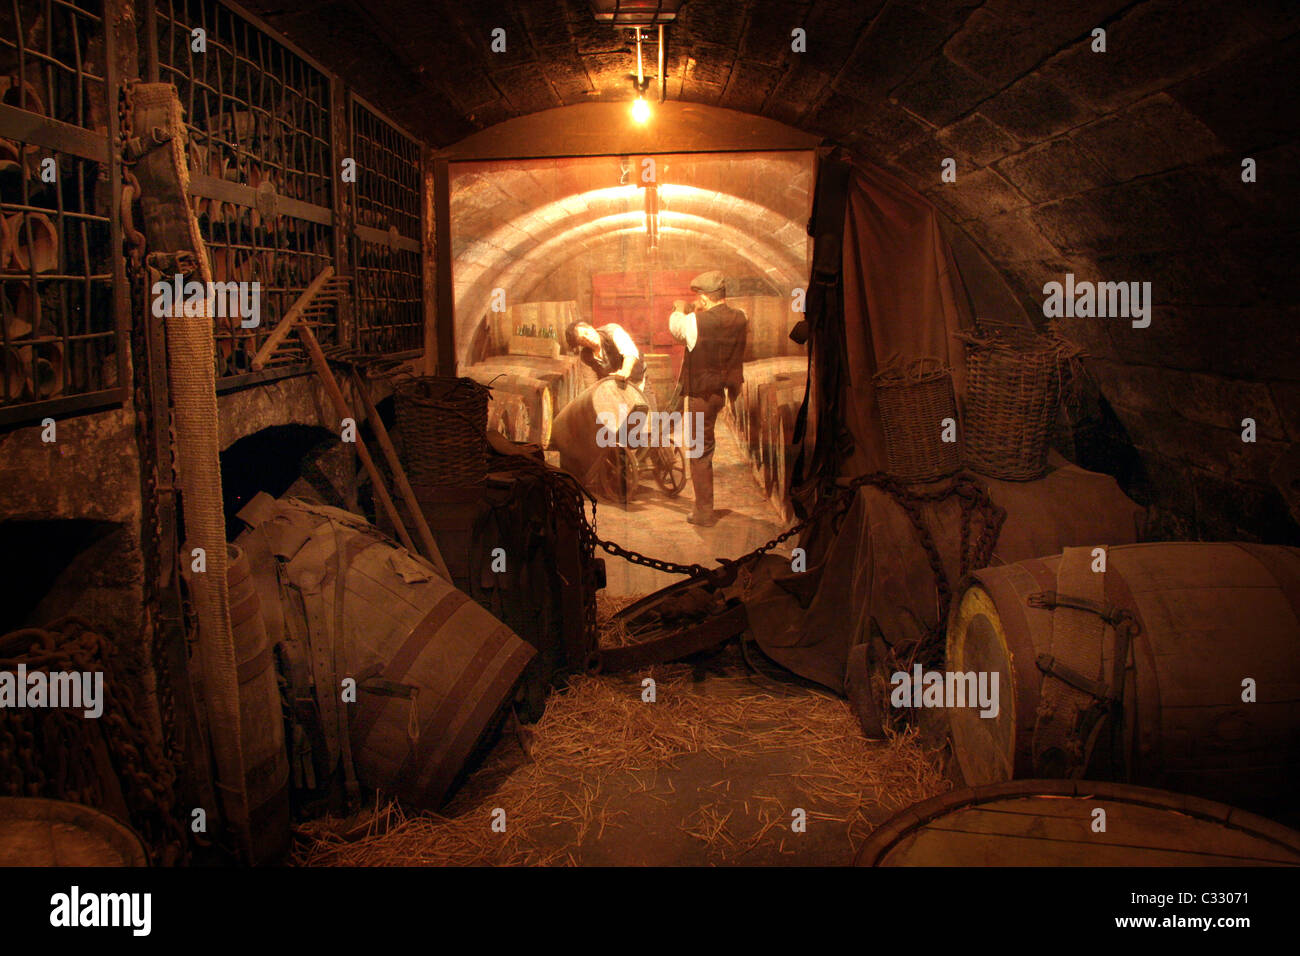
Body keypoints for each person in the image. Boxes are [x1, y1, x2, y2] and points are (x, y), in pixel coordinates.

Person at [668, 271, 747, 526]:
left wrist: (679, 309)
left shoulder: (693, 321)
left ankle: (703, 513)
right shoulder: (740, 318)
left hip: (701, 395)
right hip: (721, 393)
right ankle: (705, 506)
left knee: (699, 451)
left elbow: (677, 330)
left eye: (698, 298)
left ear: (703, 298)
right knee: (707, 447)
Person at [564, 320, 646, 389]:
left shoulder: (612, 331)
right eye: (582, 340)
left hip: (638, 380)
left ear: (591, 328)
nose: (588, 338)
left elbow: (630, 352)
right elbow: (592, 386)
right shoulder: (585, 357)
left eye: (586, 333)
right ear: (581, 345)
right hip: (615, 391)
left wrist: (625, 370)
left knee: (646, 407)